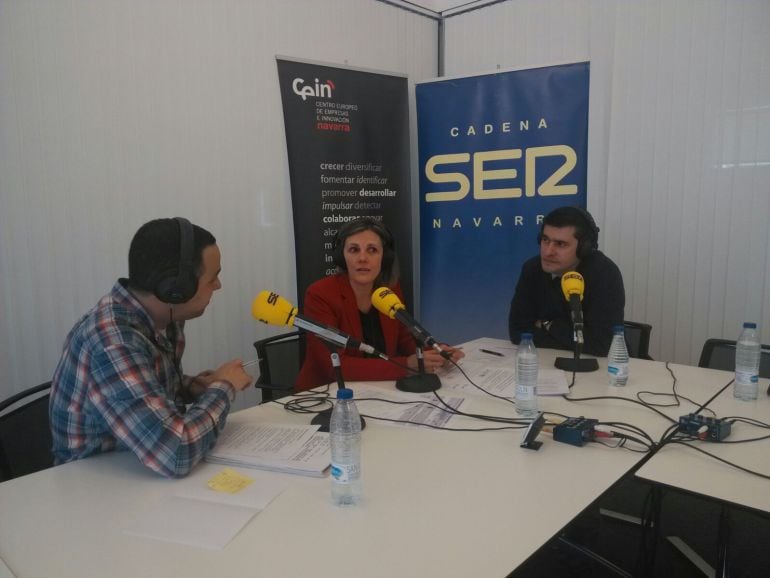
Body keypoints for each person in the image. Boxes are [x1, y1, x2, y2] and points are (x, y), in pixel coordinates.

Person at [49, 217, 252, 478]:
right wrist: (225, 387)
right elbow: (175, 453)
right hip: (93, 488)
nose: (218, 286)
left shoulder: (165, 318)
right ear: (176, 289)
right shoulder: (112, 342)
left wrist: (193, 387)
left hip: (136, 470)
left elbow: (147, 389)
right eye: (213, 278)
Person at [295, 217, 463, 391]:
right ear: (341, 256)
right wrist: (405, 365)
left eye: (372, 250)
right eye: (353, 250)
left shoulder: (388, 289)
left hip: (379, 391)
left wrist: (437, 352)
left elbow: (405, 337)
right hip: (325, 395)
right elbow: (334, 364)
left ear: (385, 257)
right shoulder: (320, 294)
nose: (362, 258)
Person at [508, 206, 625, 357]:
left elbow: (603, 344)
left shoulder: (604, 273)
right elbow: (518, 332)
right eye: (545, 240)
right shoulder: (532, 269)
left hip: (598, 369)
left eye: (560, 244)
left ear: (584, 247)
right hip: (545, 364)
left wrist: (547, 324)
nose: (548, 251)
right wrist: (572, 336)